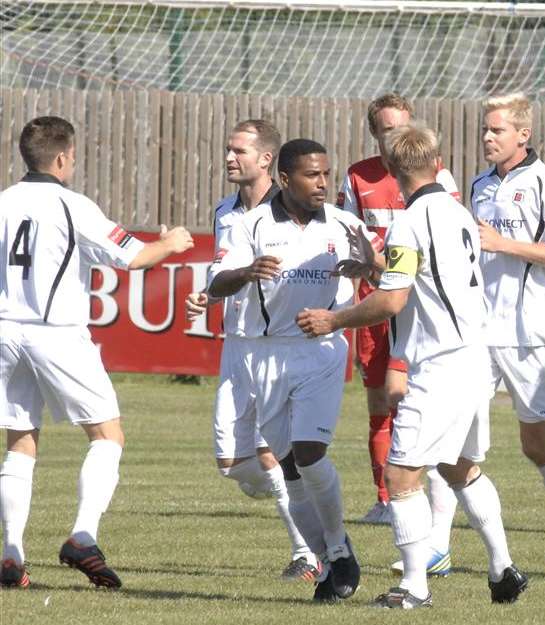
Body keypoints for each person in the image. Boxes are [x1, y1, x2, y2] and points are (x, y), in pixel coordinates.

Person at [297, 122, 527, 608]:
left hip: (439, 364)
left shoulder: (408, 219)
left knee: (401, 478)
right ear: (437, 163)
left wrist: (333, 319)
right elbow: (423, 277)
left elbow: (392, 302)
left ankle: (414, 587)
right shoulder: (457, 211)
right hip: (471, 357)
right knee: (461, 467)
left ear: (394, 170)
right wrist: (375, 269)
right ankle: (503, 569)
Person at [0, 116, 194, 589]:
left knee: (20, 440)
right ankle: (83, 536)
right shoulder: (73, 205)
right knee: (107, 434)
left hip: (5, 330)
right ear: (64, 157)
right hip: (56, 331)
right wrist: (171, 242)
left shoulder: (3, 202)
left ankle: (11, 552)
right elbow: (133, 256)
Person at [208, 139, 372, 602]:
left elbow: (383, 274)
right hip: (265, 355)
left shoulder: (344, 223)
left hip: (320, 350)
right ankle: (329, 563)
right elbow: (216, 283)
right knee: (287, 466)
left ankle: (338, 548)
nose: (322, 183)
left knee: (309, 452)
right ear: (284, 179)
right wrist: (245, 273)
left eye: (325, 173)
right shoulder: (251, 225)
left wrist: (369, 265)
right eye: (311, 175)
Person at [184, 119, 319, 582]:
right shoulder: (226, 210)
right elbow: (225, 273)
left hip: (279, 349)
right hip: (236, 345)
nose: (229, 157)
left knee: (271, 453)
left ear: (266, 159)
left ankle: (308, 552)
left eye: (239, 150)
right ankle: (306, 502)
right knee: (230, 463)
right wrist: (209, 294)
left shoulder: (294, 212)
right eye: (228, 149)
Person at [469, 92, 545, 580]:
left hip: (530, 332)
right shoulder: (476, 185)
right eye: (485, 129)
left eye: (497, 130)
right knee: (458, 441)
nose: (488, 137)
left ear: (523, 134)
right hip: (477, 333)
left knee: (536, 445)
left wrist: (504, 244)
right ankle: (436, 547)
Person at [338, 94, 460, 562]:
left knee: (412, 399)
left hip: (418, 303)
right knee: (378, 403)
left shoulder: (436, 178)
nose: (396, 136)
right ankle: (386, 498)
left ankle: (423, 506)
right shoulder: (358, 175)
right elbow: (351, 231)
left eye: (402, 127)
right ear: (375, 134)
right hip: (377, 295)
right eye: (387, 130)